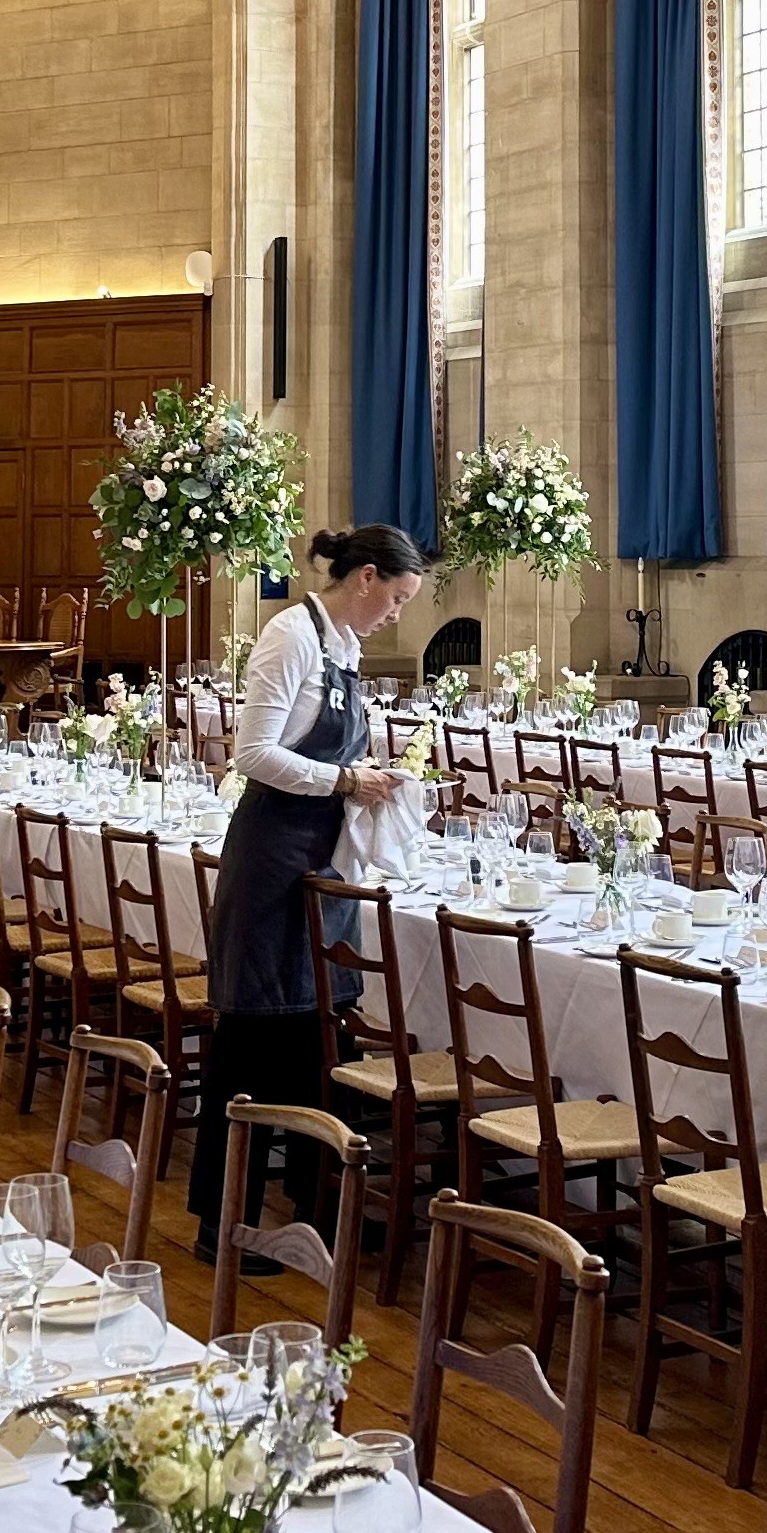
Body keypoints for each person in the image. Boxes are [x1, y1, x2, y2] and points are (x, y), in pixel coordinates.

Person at [187, 523, 428, 1256]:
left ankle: (314, 1208)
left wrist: (366, 782)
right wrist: (349, 778)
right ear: (364, 578)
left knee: (316, 1032)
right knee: (256, 1037)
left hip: (321, 861)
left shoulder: (343, 648)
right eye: (396, 597)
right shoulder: (290, 635)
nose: (396, 614)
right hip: (270, 859)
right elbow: (255, 755)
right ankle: (222, 1223)